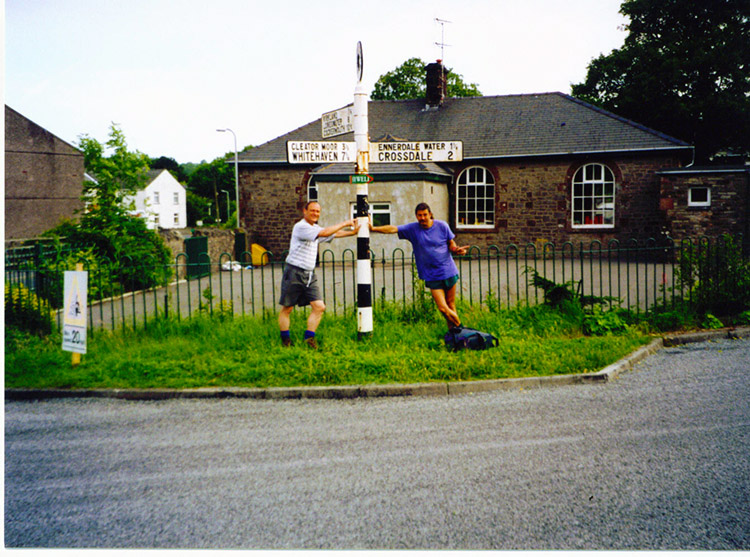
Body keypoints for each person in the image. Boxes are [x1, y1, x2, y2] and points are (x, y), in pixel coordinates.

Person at [369, 202, 469, 333]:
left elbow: (451, 243)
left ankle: (456, 334)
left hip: (449, 271)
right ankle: (462, 328)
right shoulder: (413, 229)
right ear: (416, 216)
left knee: (451, 305)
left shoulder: (442, 226)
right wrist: (374, 228)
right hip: (432, 275)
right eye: (419, 215)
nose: (422, 218)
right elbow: (393, 229)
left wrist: (456, 249)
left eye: (425, 215)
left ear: (430, 214)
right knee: (443, 308)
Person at [278, 201, 360, 348]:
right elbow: (325, 232)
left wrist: (351, 233)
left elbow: (331, 234)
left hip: (310, 273)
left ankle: (309, 339)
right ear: (305, 211)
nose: (315, 213)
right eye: (312, 211)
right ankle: (286, 341)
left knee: (319, 307)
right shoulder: (301, 227)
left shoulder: (314, 228)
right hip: (295, 271)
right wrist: (346, 223)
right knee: (287, 308)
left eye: (317, 211)